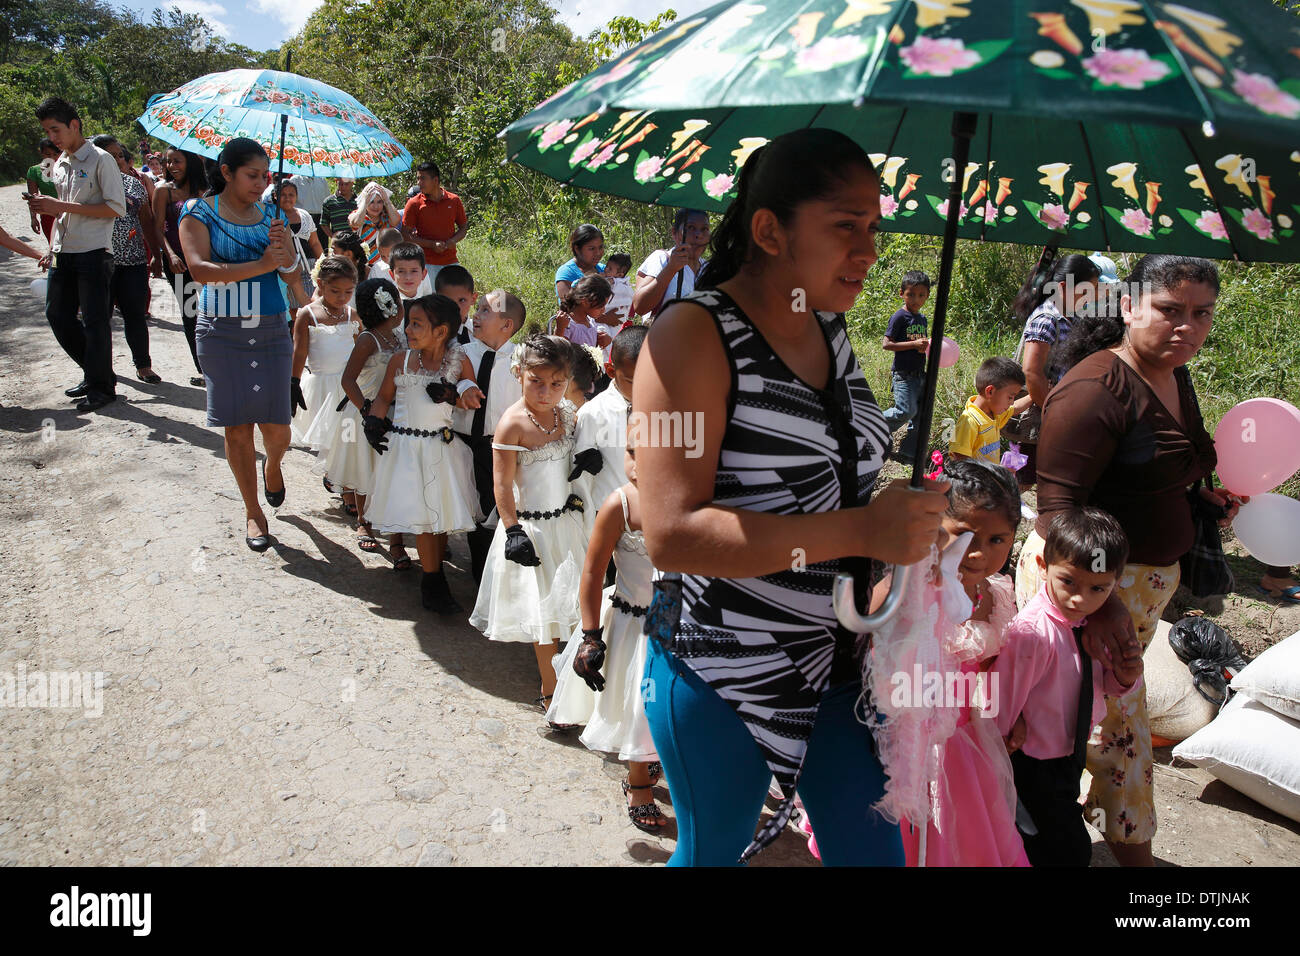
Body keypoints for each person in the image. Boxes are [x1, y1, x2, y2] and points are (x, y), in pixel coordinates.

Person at [633, 127, 949, 866]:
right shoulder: (690, 336)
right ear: (770, 229)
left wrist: (907, 515)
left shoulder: (830, 330)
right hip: (723, 666)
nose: (869, 250)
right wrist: (861, 532)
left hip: (838, 661)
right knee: (714, 853)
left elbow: (836, 471)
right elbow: (673, 532)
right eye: (846, 226)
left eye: (874, 227)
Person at [1016, 253, 1240, 867]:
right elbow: (1057, 511)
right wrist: (1106, 601)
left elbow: (1155, 468)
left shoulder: (1173, 374)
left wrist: (1199, 497)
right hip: (1081, 586)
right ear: (1128, 305)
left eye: (1201, 314)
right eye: (1169, 309)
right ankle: (1129, 861)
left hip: (1136, 591)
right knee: (1116, 730)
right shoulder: (1093, 390)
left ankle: (1061, 830)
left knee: (1101, 718)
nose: (1186, 327)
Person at [995, 508, 1144, 867]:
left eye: (1098, 589)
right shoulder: (1032, 634)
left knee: (1046, 841)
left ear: (1115, 585)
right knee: (1064, 849)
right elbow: (1003, 701)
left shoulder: (1091, 625)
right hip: (1029, 761)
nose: (1080, 598)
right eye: (1069, 583)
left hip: (1070, 753)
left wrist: (1126, 675)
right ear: (1042, 567)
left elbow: (1101, 685)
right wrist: (996, 758)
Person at [898, 459, 1028, 867]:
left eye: (996, 541)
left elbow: (987, 669)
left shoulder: (997, 595)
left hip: (967, 742)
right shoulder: (912, 588)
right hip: (912, 738)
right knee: (911, 840)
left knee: (969, 839)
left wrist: (999, 716)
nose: (977, 554)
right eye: (964, 535)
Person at [178, 137, 300, 551]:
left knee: (278, 427)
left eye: (265, 175)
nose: (260, 183)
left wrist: (285, 257)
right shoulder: (198, 213)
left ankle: (274, 466)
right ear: (226, 172)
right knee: (237, 427)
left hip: (270, 324)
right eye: (252, 175)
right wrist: (262, 264)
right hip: (222, 329)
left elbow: (287, 273)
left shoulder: (273, 214)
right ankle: (253, 511)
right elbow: (199, 271)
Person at [547, 438, 666, 832]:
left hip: (681, 627)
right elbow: (593, 572)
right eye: (631, 452)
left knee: (666, 707)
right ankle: (639, 784)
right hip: (634, 626)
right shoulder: (621, 504)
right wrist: (591, 636)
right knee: (638, 704)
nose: (637, 464)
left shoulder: (694, 501)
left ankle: (660, 757)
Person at [469, 334, 591, 711]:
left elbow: (570, 458)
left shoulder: (566, 412)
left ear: (568, 381)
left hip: (567, 523)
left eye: (557, 384)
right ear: (519, 373)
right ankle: (551, 689)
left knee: (573, 607)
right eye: (536, 381)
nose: (546, 391)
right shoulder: (513, 424)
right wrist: (513, 530)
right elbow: (501, 483)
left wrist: (585, 463)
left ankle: (580, 685)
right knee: (545, 615)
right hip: (533, 528)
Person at [363, 294, 483, 613]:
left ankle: (433, 573)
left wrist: (455, 394)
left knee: (437, 516)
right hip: (405, 450)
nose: (409, 330)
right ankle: (432, 581)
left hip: (440, 450)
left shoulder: (457, 360)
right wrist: (374, 422)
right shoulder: (399, 361)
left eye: (417, 324)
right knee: (426, 518)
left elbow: (469, 392)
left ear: (441, 331)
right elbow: (383, 397)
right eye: (408, 323)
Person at [28, 97, 127, 414]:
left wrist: (60, 207)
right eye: (47, 131)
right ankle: (97, 374)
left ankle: (101, 388)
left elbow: (115, 208)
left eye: (56, 130)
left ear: (75, 125)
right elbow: (62, 211)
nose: (53, 138)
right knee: (57, 314)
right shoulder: (60, 163)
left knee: (96, 322)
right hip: (63, 251)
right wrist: (50, 241)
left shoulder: (101, 160)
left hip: (93, 253)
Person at [322, 277, 408, 557]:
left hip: (395, 413)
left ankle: (396, 538)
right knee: (363, 469)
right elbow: (348, 380)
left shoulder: (401, 337)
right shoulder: (367, 340)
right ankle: (364, 522)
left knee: (392, 472)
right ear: (391, 307)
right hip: (365, 414)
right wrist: (365, 411)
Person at [1008, 252, 1102, 486]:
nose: (1090, 297)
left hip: (1059, 410)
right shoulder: (1047, 318)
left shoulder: (1073, 316)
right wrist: (1051, 409)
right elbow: (1032, 372)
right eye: (1085, 290)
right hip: (1040, 414)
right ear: (1063, 287)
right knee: (1021, 481)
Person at [452, 289, 525, 584]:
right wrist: (462, 387)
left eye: (484, 310)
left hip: (500, 447)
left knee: (492, 510)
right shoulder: (462, 352)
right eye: (477, 309)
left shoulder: (522, 359)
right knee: (467, 507)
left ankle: (487, 579)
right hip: (462, 443)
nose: (476, 315)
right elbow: (451, 376)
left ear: (506, 325)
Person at [91, 135, 161, 385]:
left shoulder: (134, 185)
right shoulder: (87, 186)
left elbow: (146, 220)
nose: (118, 160)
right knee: (99, 318)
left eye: (120, 155)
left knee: (136, 315)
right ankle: (101, 370)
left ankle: (144, 365)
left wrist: (156, 255)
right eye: (110, 156)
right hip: (98, 262)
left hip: (134, 261)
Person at [568, 325, 644, 514]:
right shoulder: (593, 414)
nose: (643, 387)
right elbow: (581, 480)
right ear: (611, 371)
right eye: (633, 381)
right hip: (609, 516)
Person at [290, 256, 359, 455]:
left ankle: (342, 475)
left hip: (347, 385)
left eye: (348, 292)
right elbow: (300, 351)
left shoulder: (352, 315)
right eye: (335, 291)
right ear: (321, 284)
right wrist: (293, 382)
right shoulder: (307, 314)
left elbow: (359, 351)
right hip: (321, 387)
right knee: (326, 439)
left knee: (348, 438)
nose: (342, 297)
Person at [151, 147, 207, 386]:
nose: (172, 166)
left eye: (178, 161)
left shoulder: (203, 190)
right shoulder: (163, 190)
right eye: (168, 161)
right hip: (178, 262)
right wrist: (170, 255)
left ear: (190, 162)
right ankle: (203, 369)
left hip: (205, 259)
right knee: (191, 313)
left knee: (216, 309)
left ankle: (218, 361)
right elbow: (157, 227)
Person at [880, 269, 932, 462]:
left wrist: (923, 347)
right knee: (905, 411)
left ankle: (908, 453)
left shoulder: (922, 318)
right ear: (901, 293)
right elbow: (887, 344)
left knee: (920, 415)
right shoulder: (899, 317)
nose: (916, 300)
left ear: (927, 296)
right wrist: (913, 345)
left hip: (920, 373)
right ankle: (873, 424)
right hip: (903, 374)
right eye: (911, 294)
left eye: (921, 295)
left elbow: (918, 343)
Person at [949, 357, 1032, 463]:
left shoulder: (993, 415)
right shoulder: (969, 422)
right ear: (990, 391)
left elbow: (1015, 407)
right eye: (1010, 397)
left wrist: (1033, 395)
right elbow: (959, 459)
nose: (1011, 402)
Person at [631, 208, 710, 320]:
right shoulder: (661, 259)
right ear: (675, 233)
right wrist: (671, 269)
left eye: (704, 229)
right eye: (691, 227)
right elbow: (639, 307)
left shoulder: (708, 269)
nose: (698, 235)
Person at [401, 161, 467, 286]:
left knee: (452, 300)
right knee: (431, 303)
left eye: (423, 179)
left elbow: (463, 228)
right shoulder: (414, 203)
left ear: (435, 180)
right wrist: (431, 245)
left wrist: (453, 241)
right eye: (418, 179)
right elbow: (405, 234)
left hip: (450, 261)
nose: (419, 183)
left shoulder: (454, 200)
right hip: (425, 263)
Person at [554, 224, 624, 329]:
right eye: (591, 249)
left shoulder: (604, 270)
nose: (598, 253)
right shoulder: (566, 272)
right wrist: (604, 318)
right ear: (577, 249)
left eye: (601, 247)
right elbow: (568, 307)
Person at [274, 179, 324, 310]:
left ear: (296, 197)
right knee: (294, 309)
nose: (287, 198)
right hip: (286, 270)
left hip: (309, 268)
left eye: (291, 195)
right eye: (283, 194)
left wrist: (325, 264)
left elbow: (315, 243)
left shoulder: (305, 215)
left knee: (312, 306)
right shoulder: (272, 217)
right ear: (275, 196)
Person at [554, 275, 613, 353]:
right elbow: (556, 350)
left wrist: (604, 340)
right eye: (601, 307)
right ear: (585, 302)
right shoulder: (567, 324)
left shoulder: (591, 322)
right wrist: (560, 329)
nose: (603, 310)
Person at [349, 182, 401, 266]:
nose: (376, 206)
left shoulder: (386, 217)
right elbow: (356, 222)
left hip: (386, 265)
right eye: (371, 202)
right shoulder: (358, 215)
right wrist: (365, 202)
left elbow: (396, 221)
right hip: (365, 266)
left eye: (379, 202)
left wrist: (387, 200)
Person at [26, 139, 60, 242]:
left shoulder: (70, 168)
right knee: (54, 248)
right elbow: (32, 197)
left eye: (56, 154)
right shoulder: (34, 171)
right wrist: (33, 218)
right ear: (41, 153)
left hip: (70, 213)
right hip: (48, 215)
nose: (53, 158)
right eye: (48, 154)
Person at [433, 264, 476, 344]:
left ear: (473, 299)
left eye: (462, 300)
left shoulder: (482, 331)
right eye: (448, 301)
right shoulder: (433, 334)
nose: (456, 307)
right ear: (437, 299)